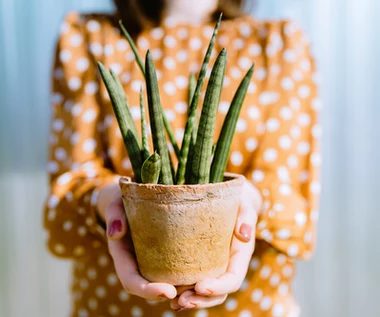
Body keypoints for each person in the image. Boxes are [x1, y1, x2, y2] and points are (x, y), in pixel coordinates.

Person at [44, 0, 321, 316]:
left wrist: (249, 204)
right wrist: (115, 206)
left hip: (250, 307)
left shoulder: (278, 44)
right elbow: (68, 188)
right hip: (112, 306)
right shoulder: (91, 37)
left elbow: (290, 195)